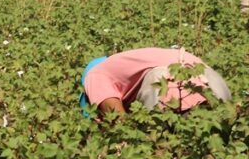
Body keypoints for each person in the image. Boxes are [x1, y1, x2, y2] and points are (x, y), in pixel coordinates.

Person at [79, 47, 232, 118]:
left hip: (167, 82)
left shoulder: (94, 75)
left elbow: (119, 121)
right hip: (211, 78)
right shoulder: (126, 62)